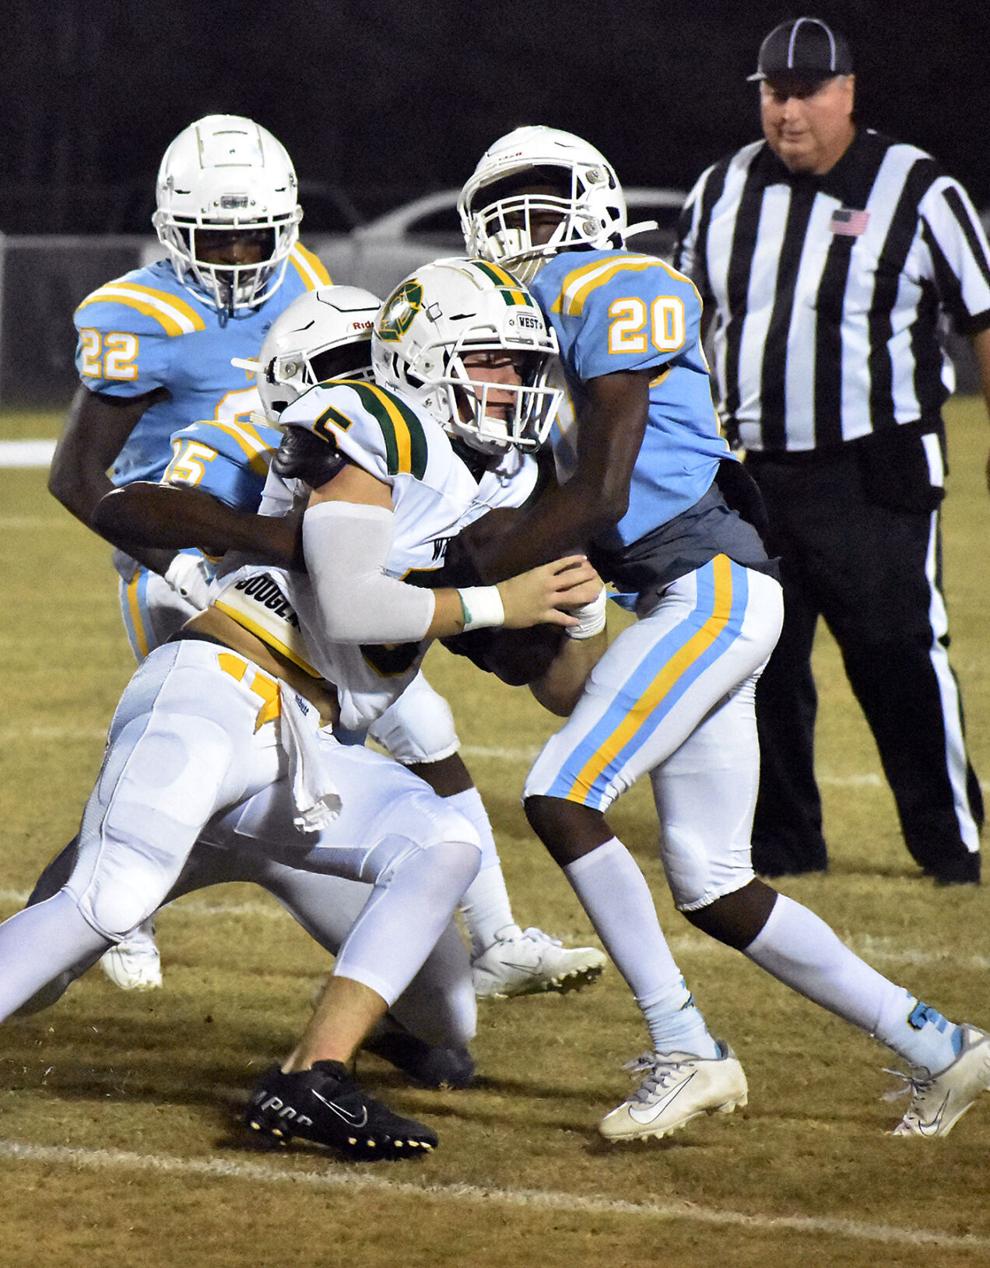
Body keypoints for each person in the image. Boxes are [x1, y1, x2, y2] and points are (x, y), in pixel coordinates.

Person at [456, 123, 990, 1140]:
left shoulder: (618, 285)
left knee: (560, 794)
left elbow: (608, 488)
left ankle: (686, 1047)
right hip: (680, 598)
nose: (526, 226)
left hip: (711, 588)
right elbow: (564, 668)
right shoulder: (523, 336)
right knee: (711, 880)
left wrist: (482, 559)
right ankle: (941, 1042)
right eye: (508, 205)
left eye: (544, 199)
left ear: (595, 204)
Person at [83, 257, 606, 1155]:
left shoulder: (465, 481)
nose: (351, 394)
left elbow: (548, 677)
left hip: (319, 758)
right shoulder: (258, 445)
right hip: (233, 707)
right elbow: (135, 516)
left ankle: (448, 973)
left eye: (521, 367)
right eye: (338, 376)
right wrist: (288, 544)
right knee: (86, 910)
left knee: (449, 1030)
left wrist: (575, 599)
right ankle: (152, 940)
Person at [673, 17, 989, 883]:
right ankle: (785, 844)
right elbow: (684, 319)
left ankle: (948, 844)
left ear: (848, 92)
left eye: (808, 91)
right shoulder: (722, 187)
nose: (789, 112)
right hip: (755, 473)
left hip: (873, 468)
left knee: (898, 658)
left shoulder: (919, 188)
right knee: (761, 666)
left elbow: (983, 317)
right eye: (775, 92)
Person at [47, 113, 332, 990]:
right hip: (177, 558)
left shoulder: (309, 281)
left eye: (258, 235)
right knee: (179, 749)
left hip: (277, 552)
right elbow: (75, 474)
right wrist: (158, 558)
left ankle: (485, 935)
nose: (243, 256)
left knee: (327, 743)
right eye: (220, 237)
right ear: (174, 230)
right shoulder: (139, 312)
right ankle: (104, 913)